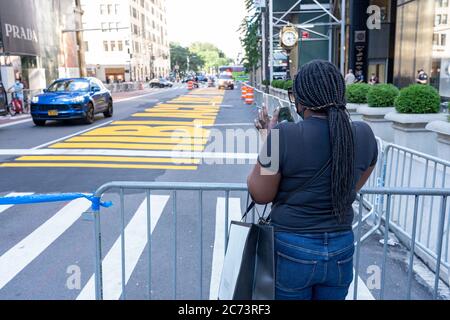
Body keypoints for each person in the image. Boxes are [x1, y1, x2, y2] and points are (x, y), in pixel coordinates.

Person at [248, 60, 378, 300]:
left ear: (301, 99)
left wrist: (268, 139)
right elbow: (350, 186)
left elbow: (261, 194)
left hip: (292, 248)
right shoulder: (364, 134)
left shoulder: (283, 135)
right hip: (341, 247)